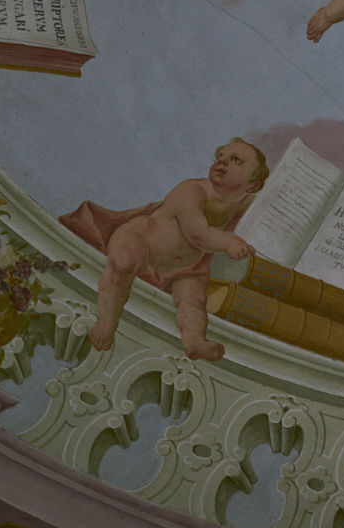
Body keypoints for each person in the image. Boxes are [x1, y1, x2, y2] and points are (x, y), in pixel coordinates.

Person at [63, 139, 269, 361]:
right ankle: (106, 322)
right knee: (123, 264)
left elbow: (265, 213)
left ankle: (195, 341)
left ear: (252, 185)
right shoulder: (192, 191)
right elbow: (198, 235)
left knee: (193, 296)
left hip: (181, 271)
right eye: (220, 156)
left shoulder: (243, 205)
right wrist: (228, 242)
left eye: (235, 160)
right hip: (142, 243)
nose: (222, 162)